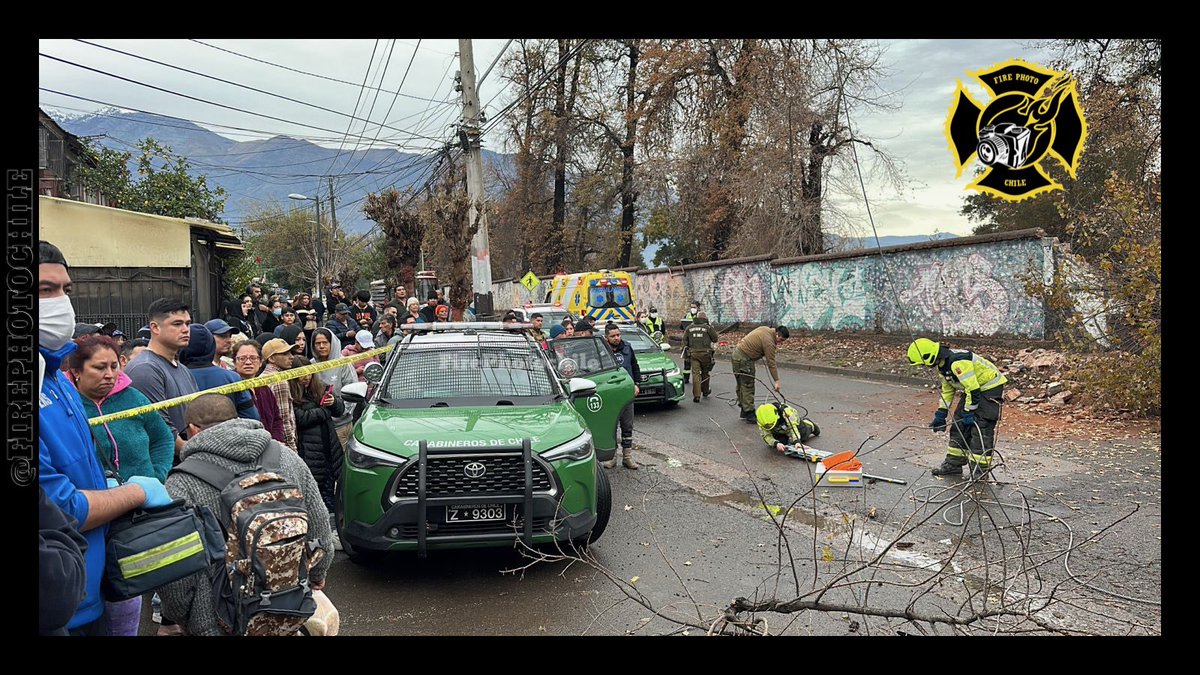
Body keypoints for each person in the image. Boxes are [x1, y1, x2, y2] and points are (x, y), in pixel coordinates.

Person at [38, 240, 173, 636]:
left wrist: (133, 482)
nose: (61, 301)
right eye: (46, 290)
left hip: (93, 583)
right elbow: (60, 508)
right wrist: (135, 493)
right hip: (57, 602)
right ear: (79, 373)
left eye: (65, 289)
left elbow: (161, 437)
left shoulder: (53, 377)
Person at [159, 394, 334, 636]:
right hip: (289, 604)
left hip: (216, 618)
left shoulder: (182, 483)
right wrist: (316, 574)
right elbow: (319, 526)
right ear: (236, 419)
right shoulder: (286, 457)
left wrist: (183, 614)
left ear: (192, 430)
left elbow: (176, 571)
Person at [66, 333, 175, 636]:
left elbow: (163, 437)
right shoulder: (66, 406)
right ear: (76, 371)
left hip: (136, 516)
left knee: (129, 589)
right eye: (99, 368)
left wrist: (154, 478)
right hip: (89, 516)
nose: (110, 374)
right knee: (89, 593)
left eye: (114, 366)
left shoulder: (133, 398)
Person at [907, 338, 1008, 478]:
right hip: (973, 390)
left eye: (922, 364)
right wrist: (941, 413)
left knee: (980, 427)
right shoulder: (943, 366)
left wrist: (969, 411)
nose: (924, 367)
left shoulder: (958, 362)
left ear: (929, 357)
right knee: (959, 424)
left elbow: (973, 389)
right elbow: (948, 390)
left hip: (989, 387)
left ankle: (980, 471)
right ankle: (953, 463)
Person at [124, 298, 200, 460]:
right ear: (155, 327)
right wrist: (194, 454)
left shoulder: (183, 369)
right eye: (177, 324)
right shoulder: (145, 368)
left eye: (188, 323)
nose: (186, 329)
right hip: (166, 467)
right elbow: (159, 426)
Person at [290, 363, 345, 522]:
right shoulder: (292, 394)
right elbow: (301, 418)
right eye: (301, 374)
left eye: (308, 373)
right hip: (309, 450)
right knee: (317, 491)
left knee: (332, 489)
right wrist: (324, 411)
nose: (305, 377)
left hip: (330, 447)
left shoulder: (320, 387)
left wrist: (333, 402)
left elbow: (340, 410)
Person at [180, 324, 260, 421]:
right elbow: (251, 417)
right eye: (222, 336)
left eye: (229, 336)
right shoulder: (232, 378)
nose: (229, 340)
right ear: (211, 344)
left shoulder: (175, 377)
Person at [39, 485, 88, 636]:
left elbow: (71, 533)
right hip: (72, 606)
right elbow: (56, 591)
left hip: (92, 595)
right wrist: (135, 493)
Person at [311, 327, 359, 449]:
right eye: (318, 343)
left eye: (325, 343)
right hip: (318, 425)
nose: (321, 346)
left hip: (341, 425)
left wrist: (341, 410)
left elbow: (352, 393)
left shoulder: (343, 364)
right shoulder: (310, 365)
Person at [602, 322, 641, 470]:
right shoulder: (602, 351)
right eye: (613, 336)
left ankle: (627, 457)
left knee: (627, 426)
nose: (617, 338)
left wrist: (636, 384)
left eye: (618, 335)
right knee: (611, 426)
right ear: (606, 338)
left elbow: (635, 367)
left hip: (626, 394)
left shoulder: (627, 348)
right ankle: (612, 457)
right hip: (610, 395)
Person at [232, 340, 286, 444]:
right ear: (234, 362)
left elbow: (277, 419)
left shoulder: (264, 388)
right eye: (242, 358)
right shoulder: (232, 388)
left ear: (261, 362)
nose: (248, 362)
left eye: (253, 358)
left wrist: (276, 441)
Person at [732, 325, 790, 423]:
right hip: (744, 359)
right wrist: (777, 380)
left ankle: (744, 409)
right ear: (776, 334)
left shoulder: (766, 329)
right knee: (748, 385)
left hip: (736, 355)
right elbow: (771, 363)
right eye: (781, 340)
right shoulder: (769, 342)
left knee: (741, 384)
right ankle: (750, 413)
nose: (781, 343)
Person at [261, 338, 300, 450]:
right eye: (285, 354)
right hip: (282, 445)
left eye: (291, 353)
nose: (291, 357)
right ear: (272, 358)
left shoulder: (263, 377)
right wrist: (292, 449)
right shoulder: (278, 381)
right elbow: (283, 419)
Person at [755, 402, 820, 456]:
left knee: (802, 436)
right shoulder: (762, 420)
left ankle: (810, 425)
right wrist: (776, 443)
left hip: (794, 424)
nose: (769, 427)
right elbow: (766, 435)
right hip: (779, 430)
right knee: (782, 443)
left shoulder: (786, 412)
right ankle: (785, 437)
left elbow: (793, 428)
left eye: (771, 425)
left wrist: (797, 441)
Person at [685, 311, 719, 402]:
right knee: (705, 373)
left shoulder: (689, 328)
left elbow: (684, 342)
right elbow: (715, 339)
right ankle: (705, 391)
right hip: (706, 354)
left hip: (694, 354)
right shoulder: (707, 328)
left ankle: (696, 395)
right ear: (705, 319)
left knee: (696, 374)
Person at [680, 301, 701, 383]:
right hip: (688, 341)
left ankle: (698, 378)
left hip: (698, 341)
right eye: (691, 307)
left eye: (694, 307)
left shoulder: (701, 316)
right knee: (687, 361)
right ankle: (686, 378)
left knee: (698, 361)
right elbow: (682, 327)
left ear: (698, 308)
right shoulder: (687, 316)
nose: (692, 309)